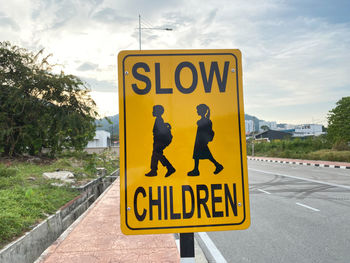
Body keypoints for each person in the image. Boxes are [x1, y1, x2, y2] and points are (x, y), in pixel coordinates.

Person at [188, 104, 223, 176]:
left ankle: (217, 166)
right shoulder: (203, 121)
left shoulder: (205, 121)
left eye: (198, 110)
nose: (197, 111)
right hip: (200, 141)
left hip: (201, 141)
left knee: (203, 155)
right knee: (199, 155)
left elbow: (206, 131)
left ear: (202, 111)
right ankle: (196, 169)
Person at [145, 105, 176, 177]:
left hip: (160, 141)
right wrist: (166, 125)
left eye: (154, 111)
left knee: (157, 154)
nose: (152, 112)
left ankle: (170, 168)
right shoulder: (159, 119)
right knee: (155, 154)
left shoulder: (159, 119)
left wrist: (166, 126)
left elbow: (161, 130)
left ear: (158, 112)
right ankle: (154, 171)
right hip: (158, 140)